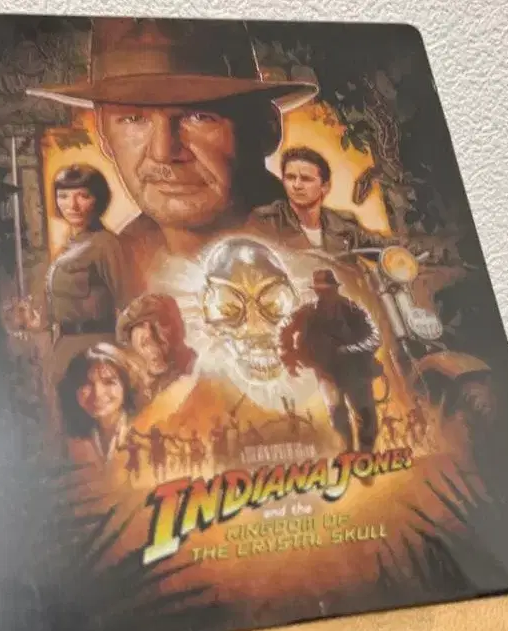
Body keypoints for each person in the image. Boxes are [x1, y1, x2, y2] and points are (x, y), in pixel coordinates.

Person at [27, 18, 317, 295]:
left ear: (265, 128)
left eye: (199, 116)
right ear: (104, 135)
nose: (163, 152)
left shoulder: (319, 263)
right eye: (133, 119)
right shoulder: (111, 269)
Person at [279, 269, 382, 453]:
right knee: (337, 416)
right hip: (327, 372)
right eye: (320, 290)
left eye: (327, 290)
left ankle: (366, 454)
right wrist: (288, 355)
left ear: (335, 289)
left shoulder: (352, 310)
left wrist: (349, 351)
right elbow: (284, 328)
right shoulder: (308, 312)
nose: (324, 294)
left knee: (367, 417)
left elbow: (375, 338)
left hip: (355, 371)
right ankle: (348, 451)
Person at [44, 164, 129, 386]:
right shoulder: (68, 247)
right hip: (64, 347)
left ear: (98, 199)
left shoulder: (105, 244)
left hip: (95, 348)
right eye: (63, 196)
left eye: (83, 196)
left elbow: (127, 302)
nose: (71, 205)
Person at [250, 146, 399, 253]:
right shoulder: (267, 221)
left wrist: (407, 246)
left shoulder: (342, 225)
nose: (297, 185)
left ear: (325, 187)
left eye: (306, 179)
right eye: (290, 177)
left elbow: (379, 245)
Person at [57, 343, 137, 465]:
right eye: (87, 383)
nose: (98, 393)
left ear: (125, 385)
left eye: (108, 382)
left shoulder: (142, 430)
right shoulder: (70, 440)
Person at [116, 293, 197, 407]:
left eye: (159, 341)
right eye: (144, 344)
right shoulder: (139, 389)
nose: (153, 350)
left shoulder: (196, 373)